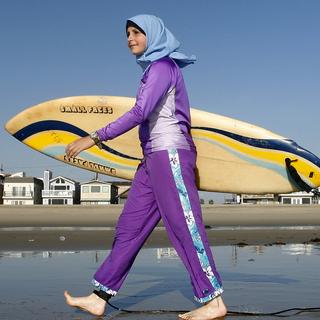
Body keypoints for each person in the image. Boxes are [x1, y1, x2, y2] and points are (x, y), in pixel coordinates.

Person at [64, 14, 227, 320]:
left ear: (153, 35)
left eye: (137, 32)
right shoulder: (153, 70)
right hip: (151, 160)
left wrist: (94, 137)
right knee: (130, 228)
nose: (130, 38)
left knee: (183, 226)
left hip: (170, 154)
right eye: (127, 33)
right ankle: (100, 297)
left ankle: (214, 300)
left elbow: (140, 112)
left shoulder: (163, 67)